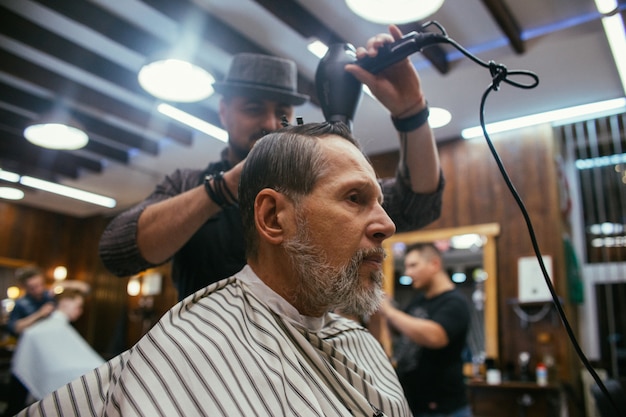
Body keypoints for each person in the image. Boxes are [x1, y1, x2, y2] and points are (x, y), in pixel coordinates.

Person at [17, 121, 413, 416]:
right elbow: (116, 246)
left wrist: (411, 114)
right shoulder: (188, 350)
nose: (387, 225)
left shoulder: (359, 344)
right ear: (274, 217)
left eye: (379, 201)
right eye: (355, 197)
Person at [99, 24, 444, 301]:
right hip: (207, 361)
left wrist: (411, 112)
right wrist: (221, 190)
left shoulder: (309, 185)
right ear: (223, 111)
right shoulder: (187, 184)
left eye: (282, 112)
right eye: (253, 108)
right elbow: (117, 251)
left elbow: (418, 204)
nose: (269, 122)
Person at [377, 243, 472, 417]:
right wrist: (388, 309)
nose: (408, 273)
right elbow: (401, 331)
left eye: (413, 265)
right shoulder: (420, 300)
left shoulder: (454, 302)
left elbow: (436, 336)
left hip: (443, 409)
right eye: (406, 267)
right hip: (415, 404)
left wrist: (390, 312)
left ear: (434, 264)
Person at [11, 287, 104, 401]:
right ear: (64, 302)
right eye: (78, 306)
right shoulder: (47, 329)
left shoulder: (55, 327)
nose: (80, 311)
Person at [3, 266, 56, 416]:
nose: (38, 289)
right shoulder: (21, 304)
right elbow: (14, 327)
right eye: (33, 287)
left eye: (40, 285)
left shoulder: (50, 297)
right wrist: (39, 314)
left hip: (46, 354)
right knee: (17, 398)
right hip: (26, 354)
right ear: (25, 287)